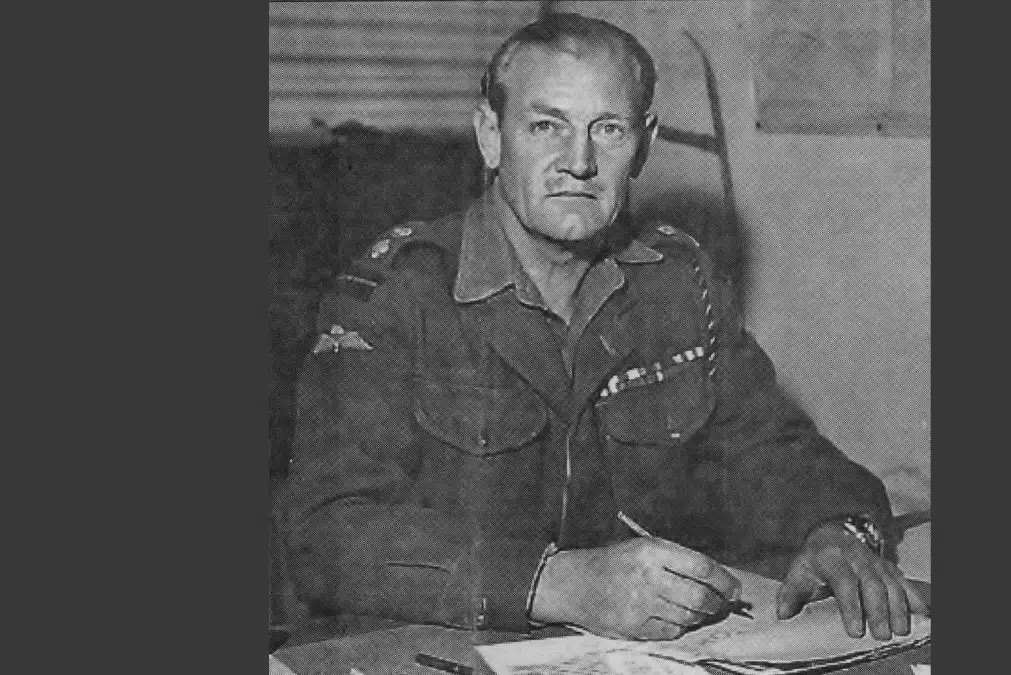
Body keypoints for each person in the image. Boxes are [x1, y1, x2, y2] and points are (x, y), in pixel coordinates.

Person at [282, 12, 927, 643]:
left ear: (643, 142)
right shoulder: (397, 290)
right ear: (492, 136)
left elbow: (774, 450)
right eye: (546, 125)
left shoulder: (672, 280)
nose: (579, 161)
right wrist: (561, 584)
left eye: (608, 129)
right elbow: (324, 527)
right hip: (439, 649)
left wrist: (842, 533)